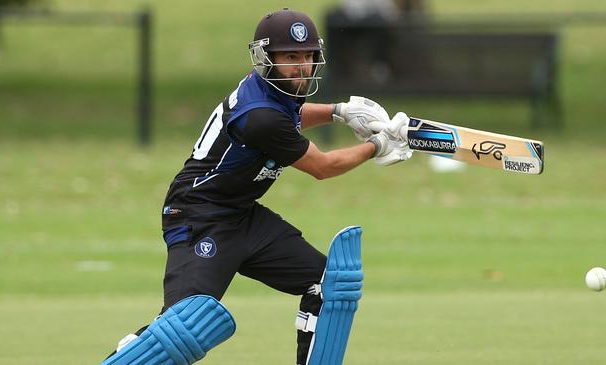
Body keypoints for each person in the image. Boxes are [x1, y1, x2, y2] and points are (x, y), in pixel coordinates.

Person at [101, 8, 411, 365]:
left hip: (243, 216)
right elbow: (323, 167)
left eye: (308, 56)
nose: (302, 65)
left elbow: (291, 117)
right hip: (199, 218)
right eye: (290, 57)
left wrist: (339, 112)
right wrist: (378, 146)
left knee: (330, 284)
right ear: (267, 59)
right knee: (183, 326)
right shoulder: (260, 116)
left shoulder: (274, 92)